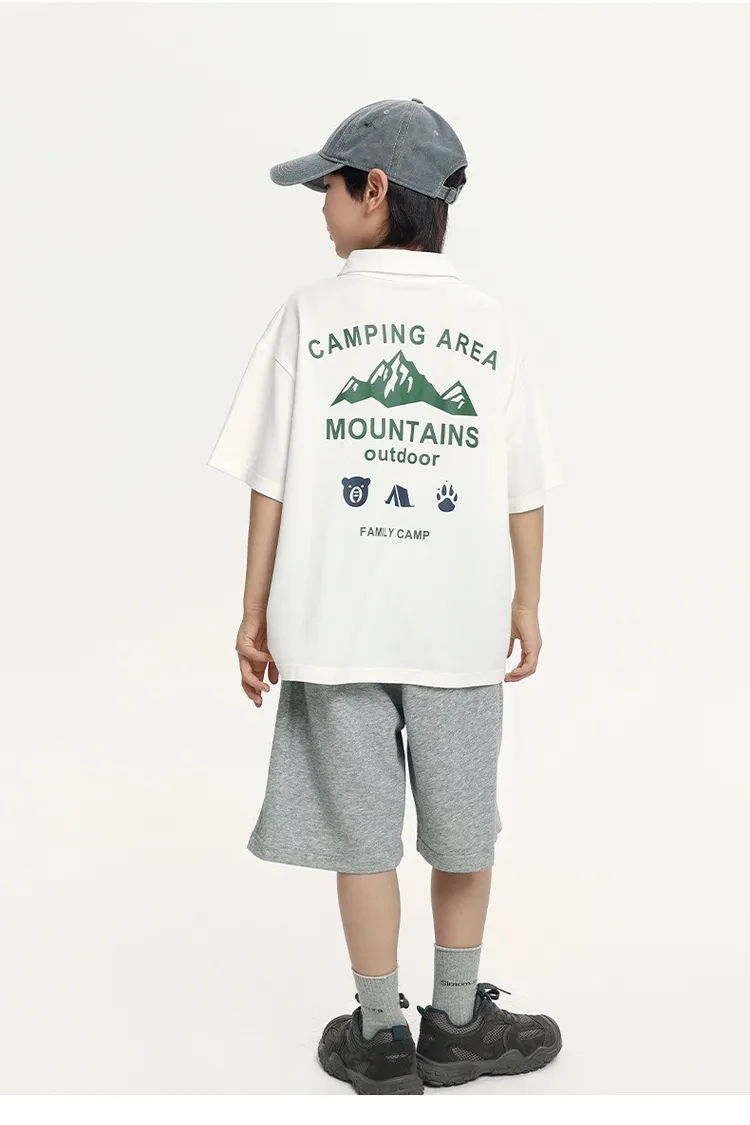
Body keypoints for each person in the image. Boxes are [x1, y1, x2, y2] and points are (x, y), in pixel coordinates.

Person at [206, 98, 563, 1095]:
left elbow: (270, 481)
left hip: (332, 629)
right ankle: (456, 1021)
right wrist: (526, 602)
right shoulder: (490, 324)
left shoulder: (308, 316)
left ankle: (380, 1034)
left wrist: (253, 613)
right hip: (459, 630)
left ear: (374, 191)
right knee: (463, 827)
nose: (321, 208)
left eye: (327, 187)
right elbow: (523, 484)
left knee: (358, 835)